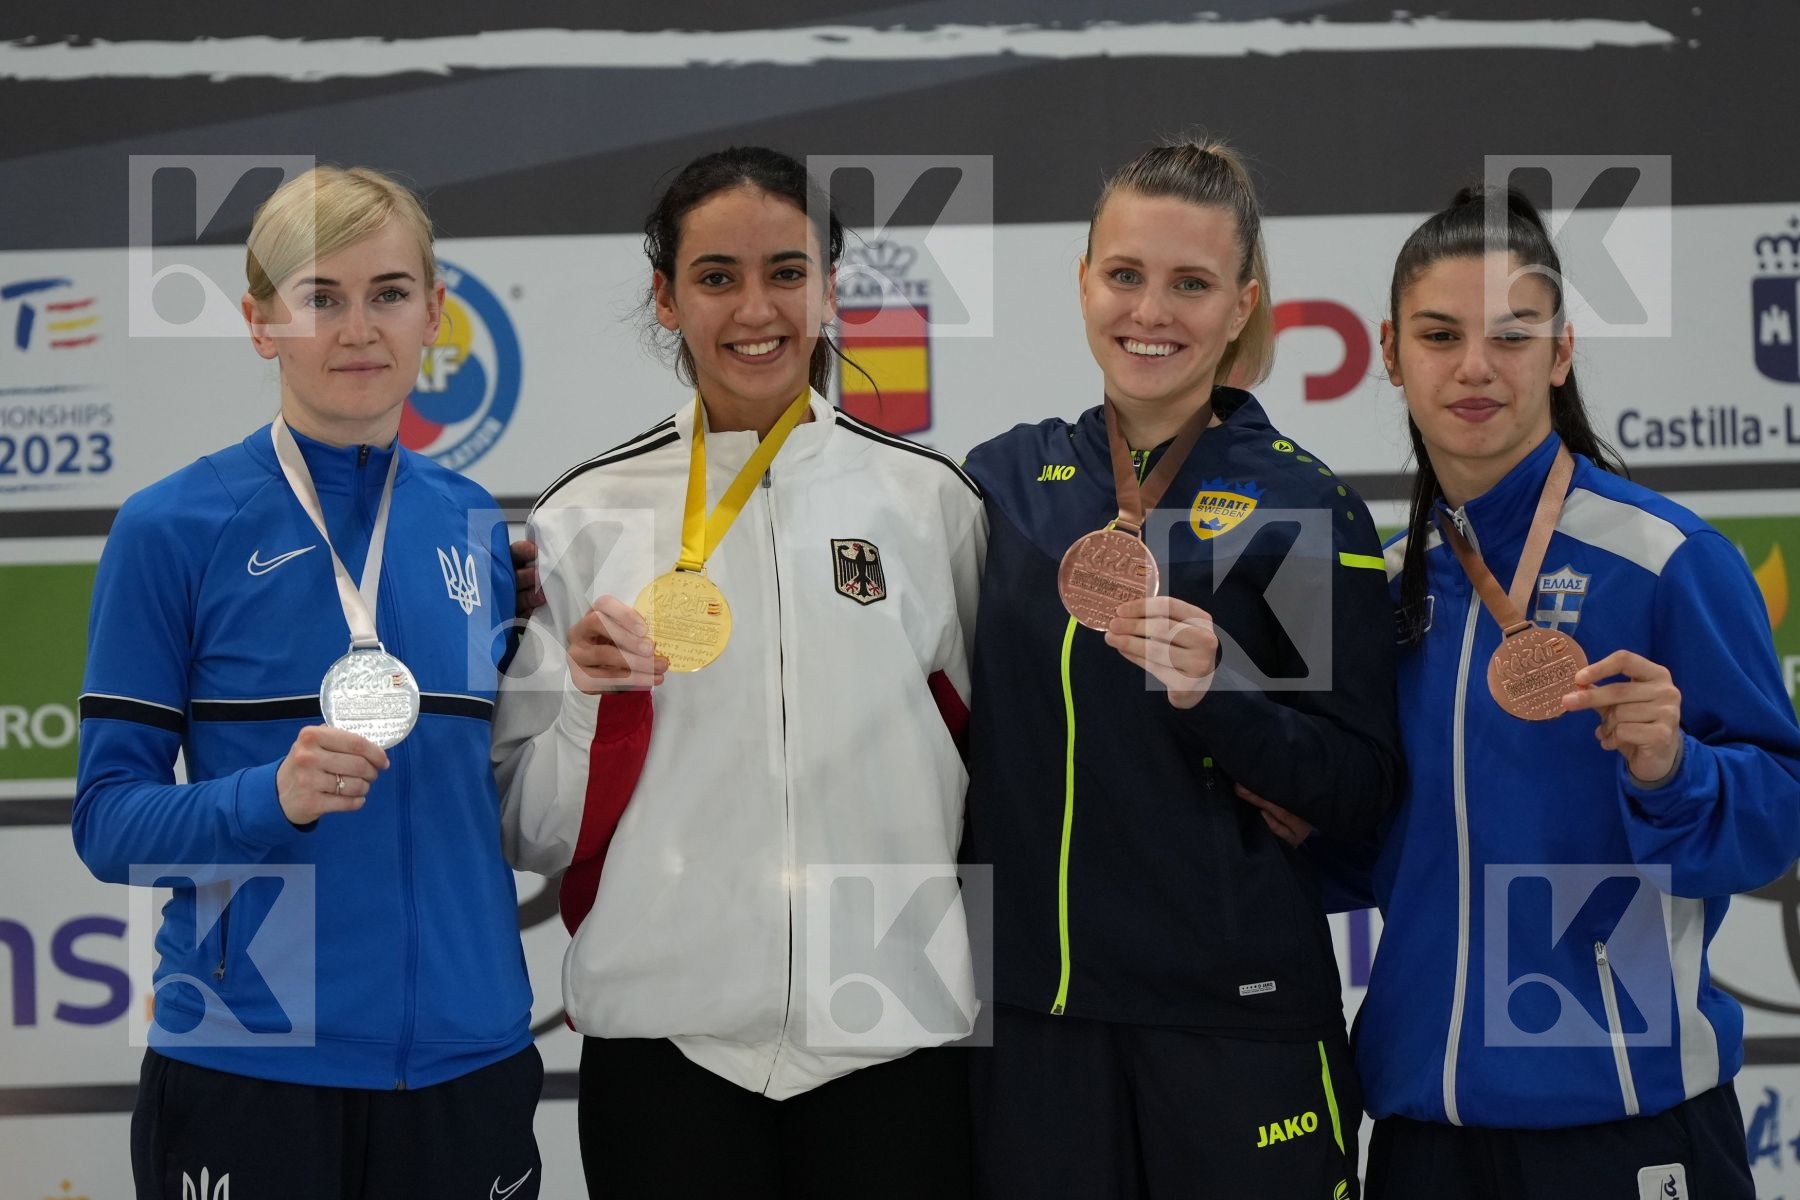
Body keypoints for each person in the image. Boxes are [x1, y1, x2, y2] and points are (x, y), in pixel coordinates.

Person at [1260, 185, 1800, 1198]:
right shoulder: (1384, 586)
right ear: (1388, 351)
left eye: (1511, 337)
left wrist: (1677, 770)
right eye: (1439, 334)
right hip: (1428, 1126)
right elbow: (1393, 851)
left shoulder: (1669, 561)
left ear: (1559, 354)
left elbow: (1779, 817)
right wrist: (1290, 813)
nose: (1474, 367)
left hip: (1623, 1115)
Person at [490, 145, 983, 1199]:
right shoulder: (586, 517)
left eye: (787, 272)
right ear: (665, 299)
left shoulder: (932, 506)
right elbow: (530, 829)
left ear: (832, 287)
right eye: (716, 277)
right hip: (671, 1054)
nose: (755, 308)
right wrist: (582, 701)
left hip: (893, 1047)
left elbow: (1009, 783)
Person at [73, 166, 541, 1200]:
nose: (358, 328)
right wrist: (264, 799)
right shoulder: (171, 529)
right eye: (320, 297)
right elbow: (107, 821)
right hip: (255, 1062)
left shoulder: (477, 527)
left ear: (435, 313)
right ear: (260, 322)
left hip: (472, 1062)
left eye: (388, 294)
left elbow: (505, 790)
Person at [959, 138, 1399, 1198]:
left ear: (1242, 304)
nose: (1150, 312)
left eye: (1190, 284)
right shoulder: (1005, 485)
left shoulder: (1294, 507)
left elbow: (1356, 790)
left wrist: (1221, 697)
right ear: (1083, 282)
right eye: (1126, 275)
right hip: (1035, 1021)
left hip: (1232, 1020)